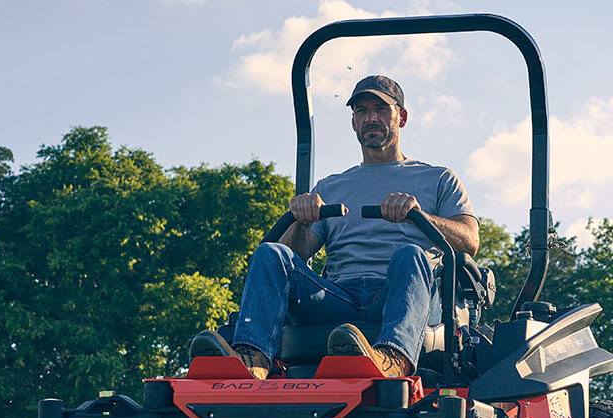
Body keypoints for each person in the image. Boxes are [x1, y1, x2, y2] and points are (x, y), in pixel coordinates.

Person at [189, 75, 479, 379]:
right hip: (339, 298)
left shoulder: (437, 178)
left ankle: (393, 358)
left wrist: (419, 216)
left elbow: (470, 240)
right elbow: (293, 257)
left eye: (381, 109)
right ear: (353, 122)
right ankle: (253, 357)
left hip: (401, 294)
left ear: (401, 117)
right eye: (362, 111)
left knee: (411, 254)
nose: (371, 118)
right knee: (271, 252)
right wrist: (302, 221)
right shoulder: (331, 186)